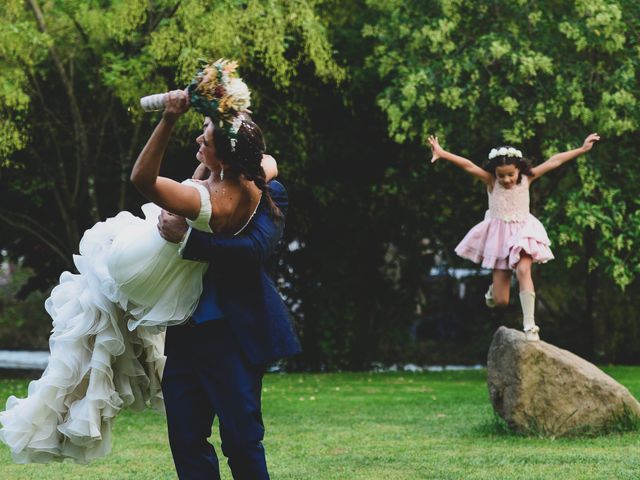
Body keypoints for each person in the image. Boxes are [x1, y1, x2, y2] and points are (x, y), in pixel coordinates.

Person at [0, 60, 300, 472]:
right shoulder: (209, 182)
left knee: (242, 439)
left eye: (207, 137)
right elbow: (233, 165)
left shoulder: (270, 193)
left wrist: (190, 240)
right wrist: (216, 106)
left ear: (226, 157)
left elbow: (254, 251)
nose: (199, 138)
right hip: (183, 333)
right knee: (186, 438)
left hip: (233, 334)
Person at [427, 133, 600, 340]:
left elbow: (555, 161)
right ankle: (493, 291)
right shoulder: (491, 181)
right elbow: (468, 165)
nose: (507, 179)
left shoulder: (527, 178)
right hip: (499, 238)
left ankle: (530, 325)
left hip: (523, 232)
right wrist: (443, 153)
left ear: (519, 169)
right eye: (502, 175)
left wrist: (581, 149)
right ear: (495, 174)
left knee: (524, 269)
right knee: (501, 301)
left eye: (510, 174)